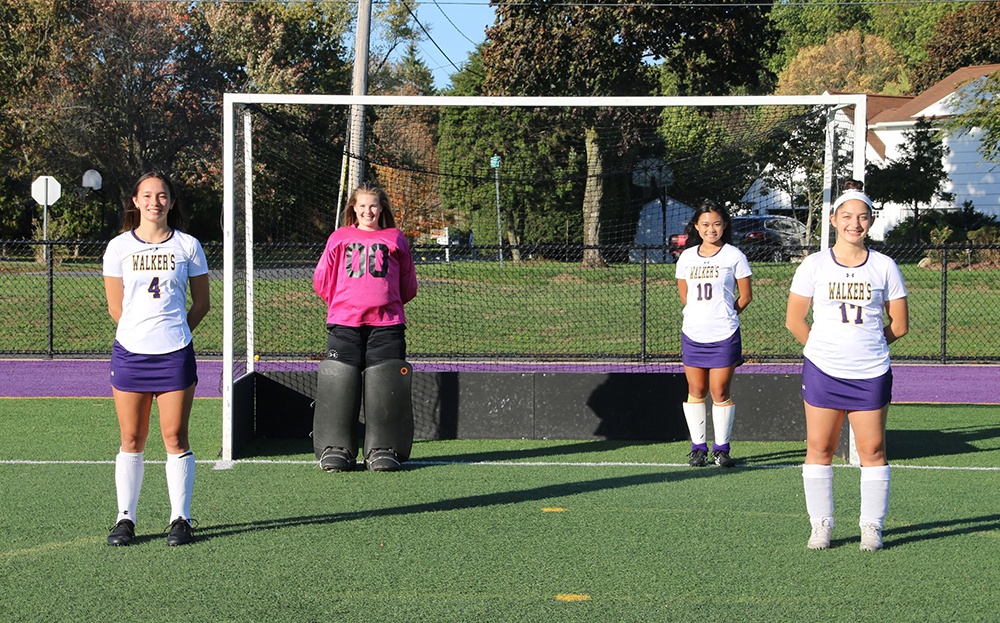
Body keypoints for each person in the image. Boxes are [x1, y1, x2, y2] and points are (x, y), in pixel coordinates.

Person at [785, 188, 908, 552]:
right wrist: (823, 351)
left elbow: (899, 325)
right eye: (848, 216)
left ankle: (872, 526)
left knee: (872, 449)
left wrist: (868, 348)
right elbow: (794, 319)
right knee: (819, 446)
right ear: (834, 220)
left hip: (870, 372)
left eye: (863, 217)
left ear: (870, 222)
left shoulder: (884, 266)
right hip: (823, 371)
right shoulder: (814, 265)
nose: (856, 223)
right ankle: (821, 525)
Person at [102, 172, 210, 546]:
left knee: (175, 436)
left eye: (162, 195)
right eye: (147, 195)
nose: (154, 202)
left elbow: (202, 304)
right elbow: (117, 308)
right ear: (135, 201)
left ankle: (181, 518)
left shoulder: (189, 245)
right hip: (131, 353)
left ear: (171, 201)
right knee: (131, 437)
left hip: (175, 354)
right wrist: (141, 336)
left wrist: (176, 334)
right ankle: (125, 519)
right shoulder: (118, 248)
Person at [312, 182, 418, 473]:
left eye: (373, 205)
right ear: (353, 209)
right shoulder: (339, 237)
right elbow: (322, 281)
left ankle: (384, 448)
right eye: (362, 206)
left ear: (382, 208)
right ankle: (336, 447)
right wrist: (346, 305)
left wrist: (385, 302)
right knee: (339, 380)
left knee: (386, 382)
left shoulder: (396, 238)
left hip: (387, 326)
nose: (368, 210)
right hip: (344, 324)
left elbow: (408, 286)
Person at [674, 200, 753, 468]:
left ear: (725, 226)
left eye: (717, 224)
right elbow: (684, 295)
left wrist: (725, 315)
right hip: (694, 333)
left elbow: (746, 296)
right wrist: (700, 314)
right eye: (705, 224)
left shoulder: (734, 256)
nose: (711, 229)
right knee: (695, 390)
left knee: (720, 391)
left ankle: (722, 449)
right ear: (697, 226)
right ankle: (698, 449)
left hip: (724, 334)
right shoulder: (686, 257)